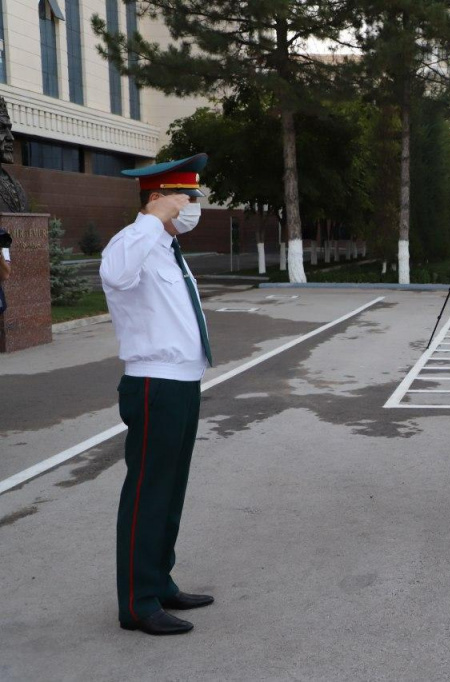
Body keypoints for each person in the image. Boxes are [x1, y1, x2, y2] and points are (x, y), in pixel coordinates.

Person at [100, 153, 215, 635]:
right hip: (154, 384)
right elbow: (115, 276)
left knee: (170, 491)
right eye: (185, 198)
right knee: (148, 491)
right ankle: (137, 602)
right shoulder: (133, 241)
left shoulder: (168, 250)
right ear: (158, 198)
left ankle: (159, 581)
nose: (193, 206)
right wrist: (151, 220)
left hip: (183, 381)